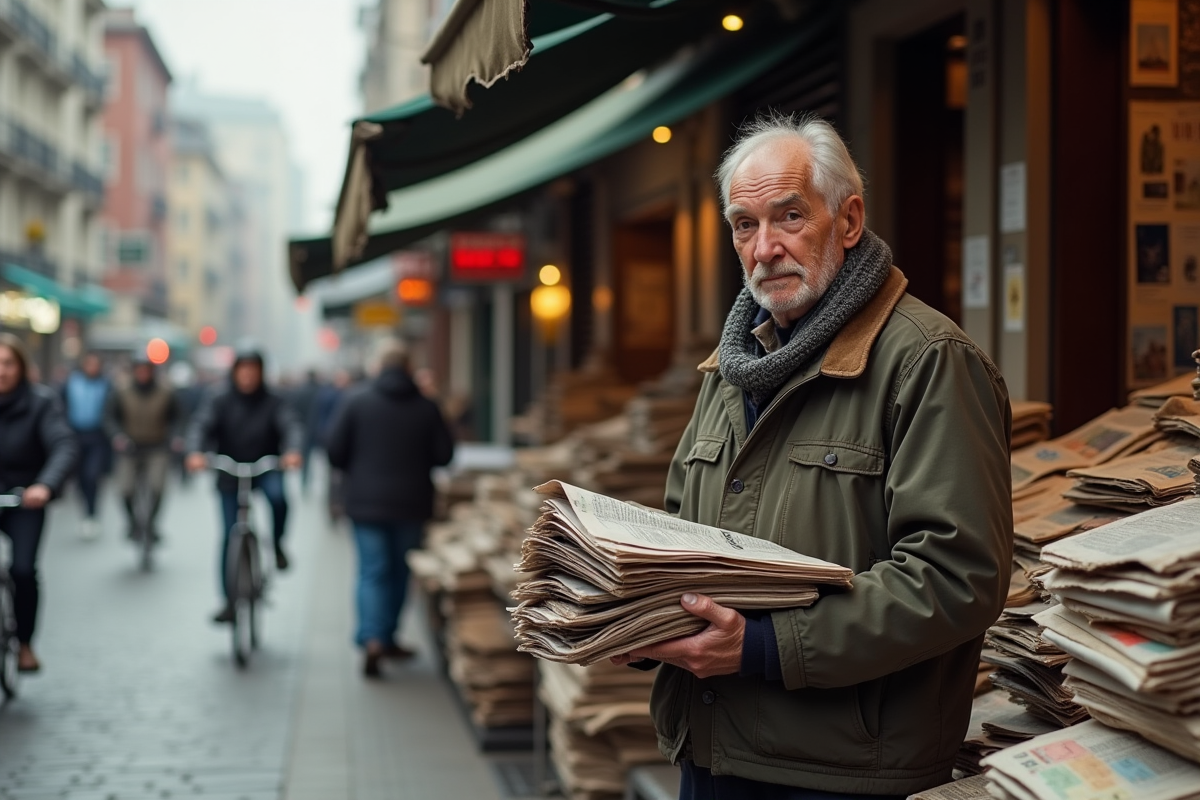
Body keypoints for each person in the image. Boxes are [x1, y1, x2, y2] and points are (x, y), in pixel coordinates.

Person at [609, 114, 1012, 799]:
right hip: (710, 752)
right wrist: (643, 616)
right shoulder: (732, 368)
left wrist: (763, 647)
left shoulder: (927, 361)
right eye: (744, 225)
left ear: (848, 220)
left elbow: (956, 577)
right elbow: (683, 533)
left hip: (841, 773)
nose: (764, 248)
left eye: (789, 216)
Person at [324, 340, 453, 677]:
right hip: (412, 503)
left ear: (378, 368)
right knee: (400, 572)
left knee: (371, 570)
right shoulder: (427, 406)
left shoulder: (356, 401)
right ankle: (389, 636)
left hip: (365, 503)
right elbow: (445, 456)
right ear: (410, 368)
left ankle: (372, 640)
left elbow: (334, 452)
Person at [185, 348, 304, 624]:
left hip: (266, 467)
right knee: (228, 535)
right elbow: (200, 426)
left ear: (261, 373)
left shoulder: (274, 401)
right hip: (229, 470)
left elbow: (291, 425)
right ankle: (228, 600)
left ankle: (277, 544)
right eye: (243, 369)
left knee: (278, 499)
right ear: (235, 371)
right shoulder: (219, 399)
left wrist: (293, 450)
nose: (248, 375)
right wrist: (195, 452)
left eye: (254, 369)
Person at [0, 334, 80, 672]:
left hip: (25, 499)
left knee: (22, 570)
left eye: (7, 363)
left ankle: (26, 644)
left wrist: (44, 486)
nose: (1, 371)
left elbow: (63, 445)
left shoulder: (41, 403)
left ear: (21, 366)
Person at [106, 352, 180, 541]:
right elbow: (110, 418)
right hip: (130, 447)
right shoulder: (121, 391)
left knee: (157, 487)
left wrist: (176, 436)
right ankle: (133, 522)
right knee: (125, 489)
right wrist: (117, 436)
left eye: (146, 370)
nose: (143, 373)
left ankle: (151, 524)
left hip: (157, 447)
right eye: (139, 370)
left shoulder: (166, 392)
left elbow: (178, 417)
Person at [61, 352, 110, 539]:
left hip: (97, 436)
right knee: (80, 479)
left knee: (92, 475)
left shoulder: (106, 385)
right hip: (75, 436)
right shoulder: (71, 383)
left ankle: (92, 513)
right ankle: (85, 513)